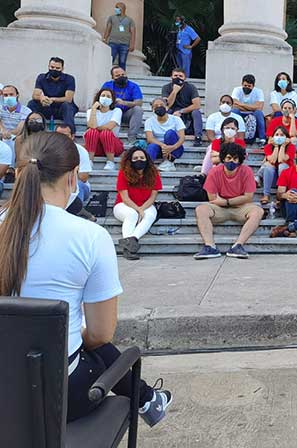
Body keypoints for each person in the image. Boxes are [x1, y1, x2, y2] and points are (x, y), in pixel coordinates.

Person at [0, 132, 172, 426]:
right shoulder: (90, 237)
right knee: (93, 344)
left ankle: (148, 401)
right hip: (55, 396)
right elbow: (101, 334)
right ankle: (147, 401)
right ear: (73, 177)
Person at [194, 142, 261, 260]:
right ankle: (210, 246)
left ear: (240, 160)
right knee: (201, 209)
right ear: (223, 158)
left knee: (258, 211)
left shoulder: (247, 171)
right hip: (219, 208)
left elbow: (248, 197)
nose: (232, 161)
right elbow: (212, 198)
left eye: (235, 158)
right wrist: (224, 202)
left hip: (240, 207)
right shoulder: (214, 172)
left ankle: (238, 245)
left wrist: (227, 202)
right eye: (229, 158)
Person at [114, 148, 161, 260]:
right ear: (130, 160)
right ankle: (129, 246)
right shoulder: (123, 173)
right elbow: (125, 198)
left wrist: (142, 208)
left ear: (146, 159)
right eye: (135, 158)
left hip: (146, 204)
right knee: (132, 215)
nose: (139, 160)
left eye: (141, 158)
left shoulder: (154, 174)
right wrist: (138, 210)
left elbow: (153, 197)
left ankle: (131, 241)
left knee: (150, 215)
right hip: (123, 205)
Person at [55, 125, 95, 222]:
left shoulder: (81, 151)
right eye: (59, 135)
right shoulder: (49, 150)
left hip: (79, 185)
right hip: (57, 185)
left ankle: (76, 214)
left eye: (65, 135)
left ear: (72, 136)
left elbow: (83, 177)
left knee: (77, 185)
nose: (62, 138)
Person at [28, 57, 78, 133]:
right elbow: (35, 95)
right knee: (32, 103)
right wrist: (42, 98)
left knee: (67, 105)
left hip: (62, 109)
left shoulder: (69, 79)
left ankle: (70, 133)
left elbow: (68, 99)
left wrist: (52, 99)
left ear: (62, 68)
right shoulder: (42, 77)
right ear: (48, 67)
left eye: (57, 68)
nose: (54, 69)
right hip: (47, 107)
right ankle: (30, 130)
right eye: (52, 67)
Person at [101, 66, 144, 145]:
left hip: (126, 114)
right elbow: (100, 100)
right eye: (117, 76)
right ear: (112, 77)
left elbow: (139, 103)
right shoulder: (108, 85)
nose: (121, 77)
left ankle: (132, 136)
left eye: (123, 74)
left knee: (138, 109)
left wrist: (124, 103)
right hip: (111, 113)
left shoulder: (133, 86)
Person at [84, 88, 124, 171]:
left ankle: (110, 162)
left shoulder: (117, 111)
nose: (105, 98)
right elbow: (91, 125)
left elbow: (109, 127)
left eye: (108, 96)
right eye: (103, 95)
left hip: (113, 145)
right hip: (95, 146)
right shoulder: (91, 111)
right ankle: (89, 161)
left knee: (105, 133)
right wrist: (94, 109)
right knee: (92, 132)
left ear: (112, 100)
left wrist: (95, 128)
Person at [161, 68, 203, 146]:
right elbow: (166, 105)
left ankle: (198, 137)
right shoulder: (166, 87)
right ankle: (166, 135)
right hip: (173, 114)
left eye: (180, 76)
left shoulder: (191, 87)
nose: (178, 78)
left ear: (185, 78)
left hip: (187, 114)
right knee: (167, 111)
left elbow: (197, 105)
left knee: (196, 112)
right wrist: (174, 91)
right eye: (175, 75)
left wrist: (181, 111)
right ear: (171, 77)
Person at [144, 97, 186, 172]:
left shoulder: (176, 119)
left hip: (175, 147)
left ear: (166, 107)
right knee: (151, 146)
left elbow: (182, 138)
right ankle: (147, 167)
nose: (159, 107)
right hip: (160, 148)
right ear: (152, 109)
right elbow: (150, 138)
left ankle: (170, 161)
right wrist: (163, 146)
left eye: (161, 105)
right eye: (156, 106)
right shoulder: (149, 121)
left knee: (169, 133)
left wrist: (172, 147)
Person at [258, 126, 293, 204]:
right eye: (277, 134)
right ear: (273, 137)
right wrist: (276, 146)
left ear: (286, 137)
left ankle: (281, 194)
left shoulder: (291, 147)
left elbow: (281, 160)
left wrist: (283, 146)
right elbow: (272, 160)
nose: (279, 137)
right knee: (268, 167)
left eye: (282, 135)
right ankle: (266, 195)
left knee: (282, 166)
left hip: (286, 180)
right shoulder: (268, 147)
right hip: (271, 178)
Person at [231, 74, 266, 144]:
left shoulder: (259, 91)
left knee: (259, 113)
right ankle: (233, 135)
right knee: (234, 111)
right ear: (242, 84)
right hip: (240, 113)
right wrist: (252, 107)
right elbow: (234, 104)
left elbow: (260, 107)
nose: (246, 87)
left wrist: (241, 104)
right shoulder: (236, 90)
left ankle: (262, 138)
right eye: (245, 85)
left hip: (253, 114)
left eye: (249, 86)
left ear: (253, 86)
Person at [1, 84, 31, 159]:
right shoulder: (0, 109)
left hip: (17, 137)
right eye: (5, 95)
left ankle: (10, 167)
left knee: (10, 140)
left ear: (17, 95)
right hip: (2, 135)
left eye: (11, 94)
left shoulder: (26, 111)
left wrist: (6, 134)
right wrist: (3, 131)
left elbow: (18, 130)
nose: (8, 97)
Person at [102, 2, 135, 69]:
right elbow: (108, 29)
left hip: (124, 44)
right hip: (113, 43)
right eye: (115, 7)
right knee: (110, 60)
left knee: (122, 62)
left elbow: (133, 32)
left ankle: (122, 77)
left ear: (122, 9)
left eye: (117, 7)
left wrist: (132, 44)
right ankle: (108, 75)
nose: (116, 9)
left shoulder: (130, 20)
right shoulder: (111, 18)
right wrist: (104, 39)